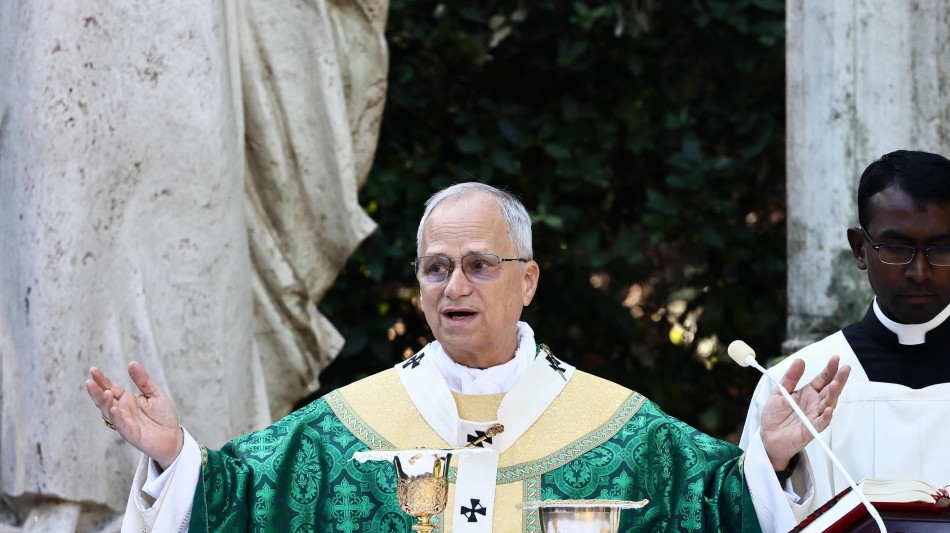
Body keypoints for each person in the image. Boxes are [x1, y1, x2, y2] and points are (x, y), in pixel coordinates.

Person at [88, 182, 848, 532]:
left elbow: (722, 507)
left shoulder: (624, 431)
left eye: (480, 265)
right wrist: (173, 459)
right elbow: (232, 499)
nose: (455, 286)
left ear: (529, 281)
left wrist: (772, 461)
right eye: (436, 267)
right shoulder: (339, 432)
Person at [740, 149, 950, 526]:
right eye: (897, 248)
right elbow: (751, 519)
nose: (920, 272)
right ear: (860, 249)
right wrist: (777, 463)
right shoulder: (794, 388)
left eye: (942, 249)